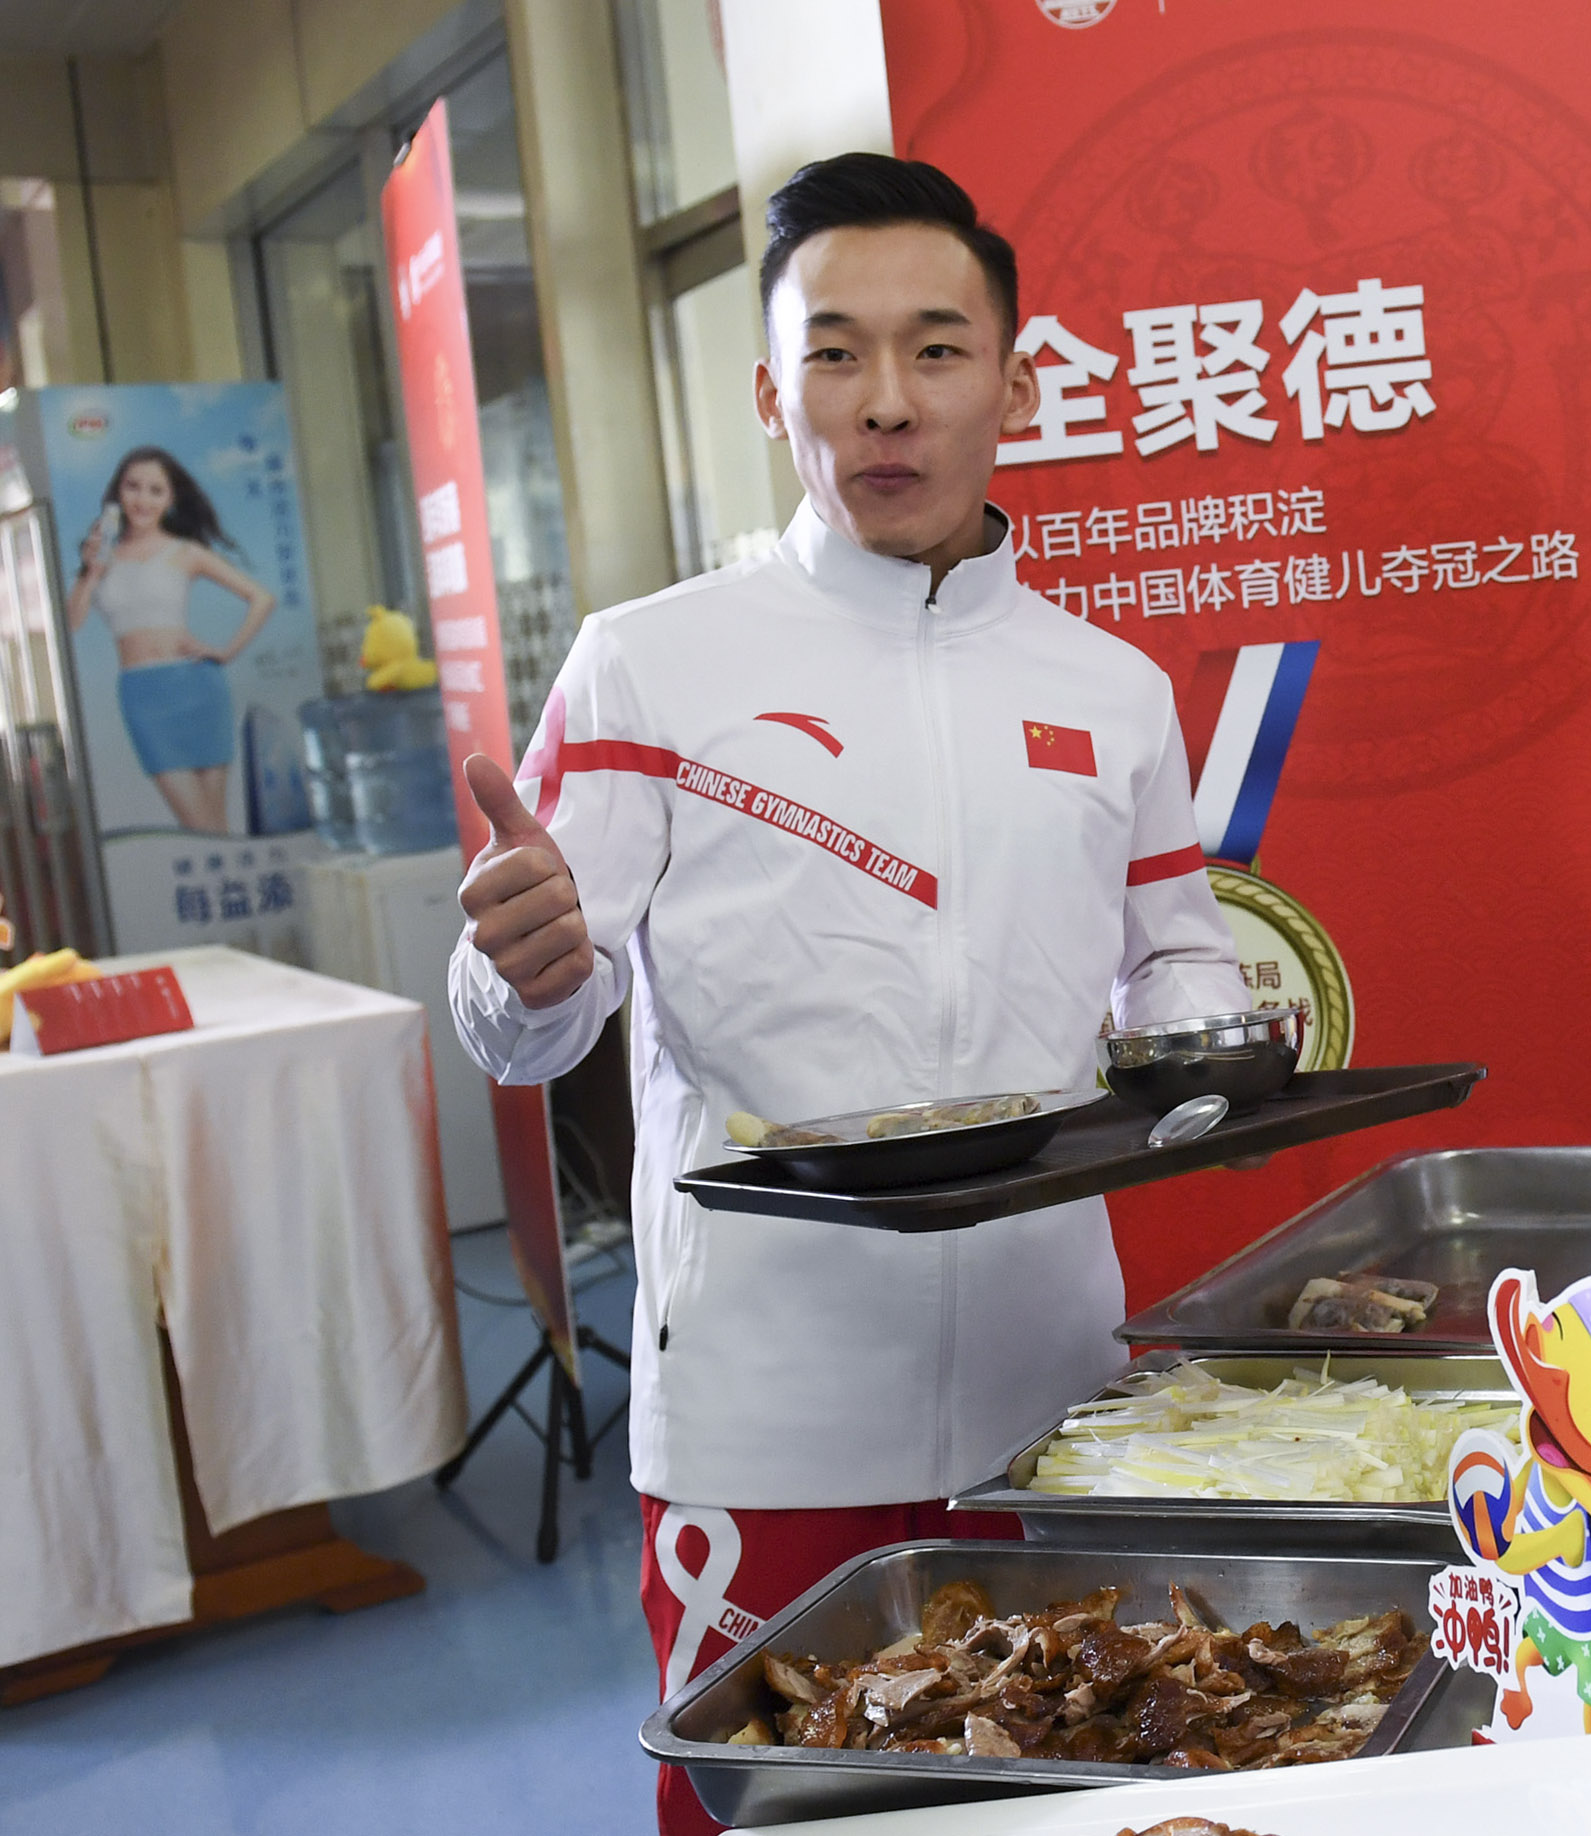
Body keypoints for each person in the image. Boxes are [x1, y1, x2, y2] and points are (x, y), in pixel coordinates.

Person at [445, 155, 1247, 1836]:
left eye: (938, 350)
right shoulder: (646, 661)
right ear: (768, 390)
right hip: (765, 1408)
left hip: (1050, 1399)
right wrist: (509, 969)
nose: (886, 402)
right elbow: (541, 1017)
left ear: (1019, 382)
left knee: (1063, 1802)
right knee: (775, 1819)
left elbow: (1177, 956)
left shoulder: (1107, 689)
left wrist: (1221, 1035)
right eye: (835, 352)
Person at [65, 446, 278, 834]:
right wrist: (92, 572)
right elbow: (71, 623)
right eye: (133, 487)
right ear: (118, 492)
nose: (142, 499)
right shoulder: (100, 556)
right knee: (199, 826)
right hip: (143, 694)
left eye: (155, 490)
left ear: (170, 498)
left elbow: (262, 598)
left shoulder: (185, 552)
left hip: (198, 687)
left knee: (215, 831)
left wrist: (225, 652)